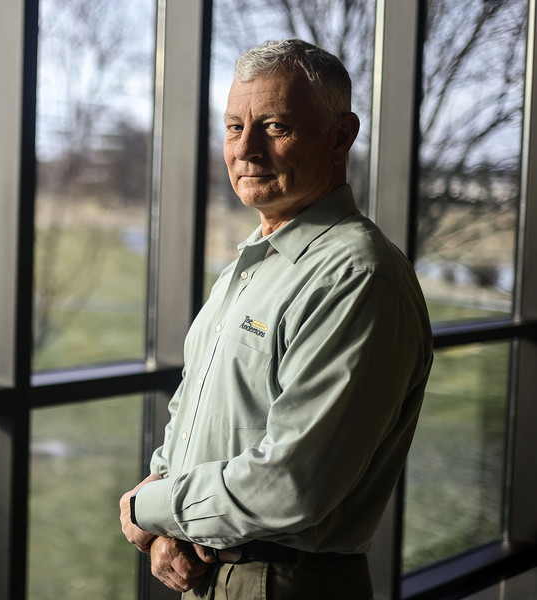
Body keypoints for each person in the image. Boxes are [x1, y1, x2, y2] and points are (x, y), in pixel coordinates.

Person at [118, 39, 433, 599]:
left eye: (276, 127)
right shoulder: (254, 263)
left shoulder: (357, 277)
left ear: (341, 136)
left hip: (282, 582)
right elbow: (191, 411)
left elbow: (294, 483)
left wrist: (151, 506)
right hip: (206, 569)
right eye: (234, 127)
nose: (246, 150)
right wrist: (165, 527)